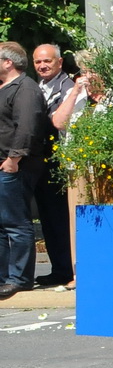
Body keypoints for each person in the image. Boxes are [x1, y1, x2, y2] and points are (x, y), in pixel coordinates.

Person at [0, 42, 53, 299]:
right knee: (2, 224)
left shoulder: (26, 89)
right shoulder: (5, 87)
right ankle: (3, 277)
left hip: (16, 166)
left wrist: (14, 159)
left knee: (16, 223)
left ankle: (20, 278)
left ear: (8, 62)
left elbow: (27, 127)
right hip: (4, 165)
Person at [29, 44, 75, 288]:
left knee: (59, 218)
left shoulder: (67, 87)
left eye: (47, 61)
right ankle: (58, 268)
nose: (42, 66)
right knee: (48, 218)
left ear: (59, 62)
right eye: (38, 62)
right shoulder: (39, 86)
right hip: (42, 162)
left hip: (59, 162)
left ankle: (66, 270)